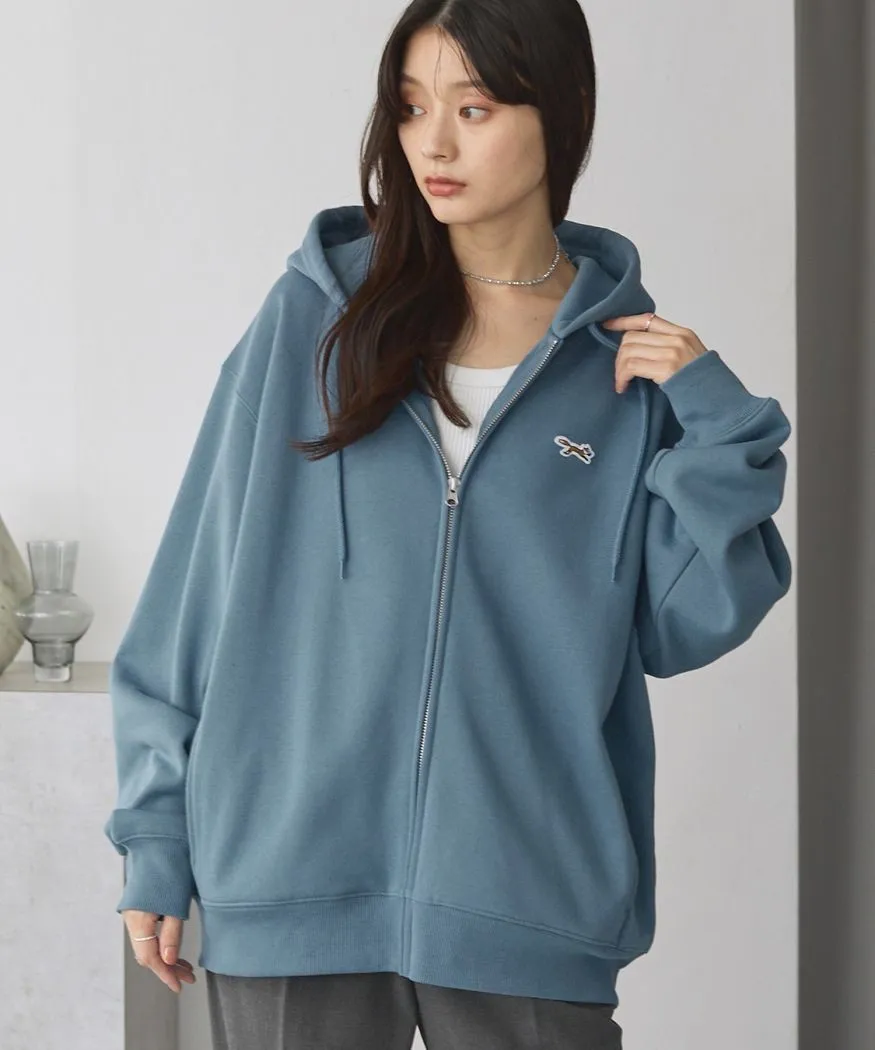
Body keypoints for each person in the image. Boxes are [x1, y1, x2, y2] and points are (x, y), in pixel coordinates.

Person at [103, 0, 792, 1047]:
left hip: (527, 903)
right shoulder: (316, 323)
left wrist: (719, 426)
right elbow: (191, 598)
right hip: (290, 885)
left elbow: (684, 623)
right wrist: (154, 833)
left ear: (562, 109)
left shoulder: (619, 372)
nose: (432, 144)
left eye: (472, 109)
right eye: (411, 106)